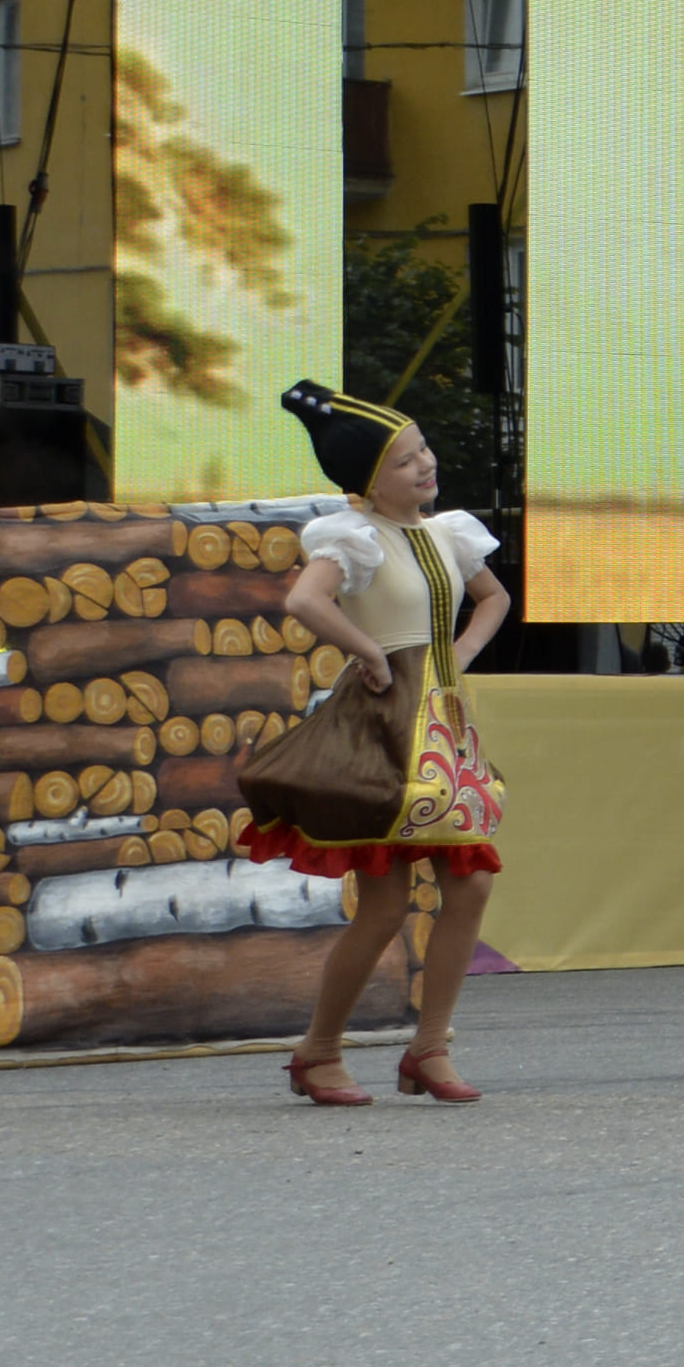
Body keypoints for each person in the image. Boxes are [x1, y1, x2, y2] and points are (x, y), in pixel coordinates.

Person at [245, 382, 507, 1107]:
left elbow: (494, 597)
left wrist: (459, 655)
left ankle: (429, 1048)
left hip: (443, 722)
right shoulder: (352, 537)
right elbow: (304, 601)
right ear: (366, 481)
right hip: (387, 725)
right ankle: (319, 1051)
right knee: (385, 904)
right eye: (403, 461)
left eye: (422, 450)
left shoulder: (448, 530)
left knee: (471, 882)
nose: (424, 466)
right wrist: (372, 654)